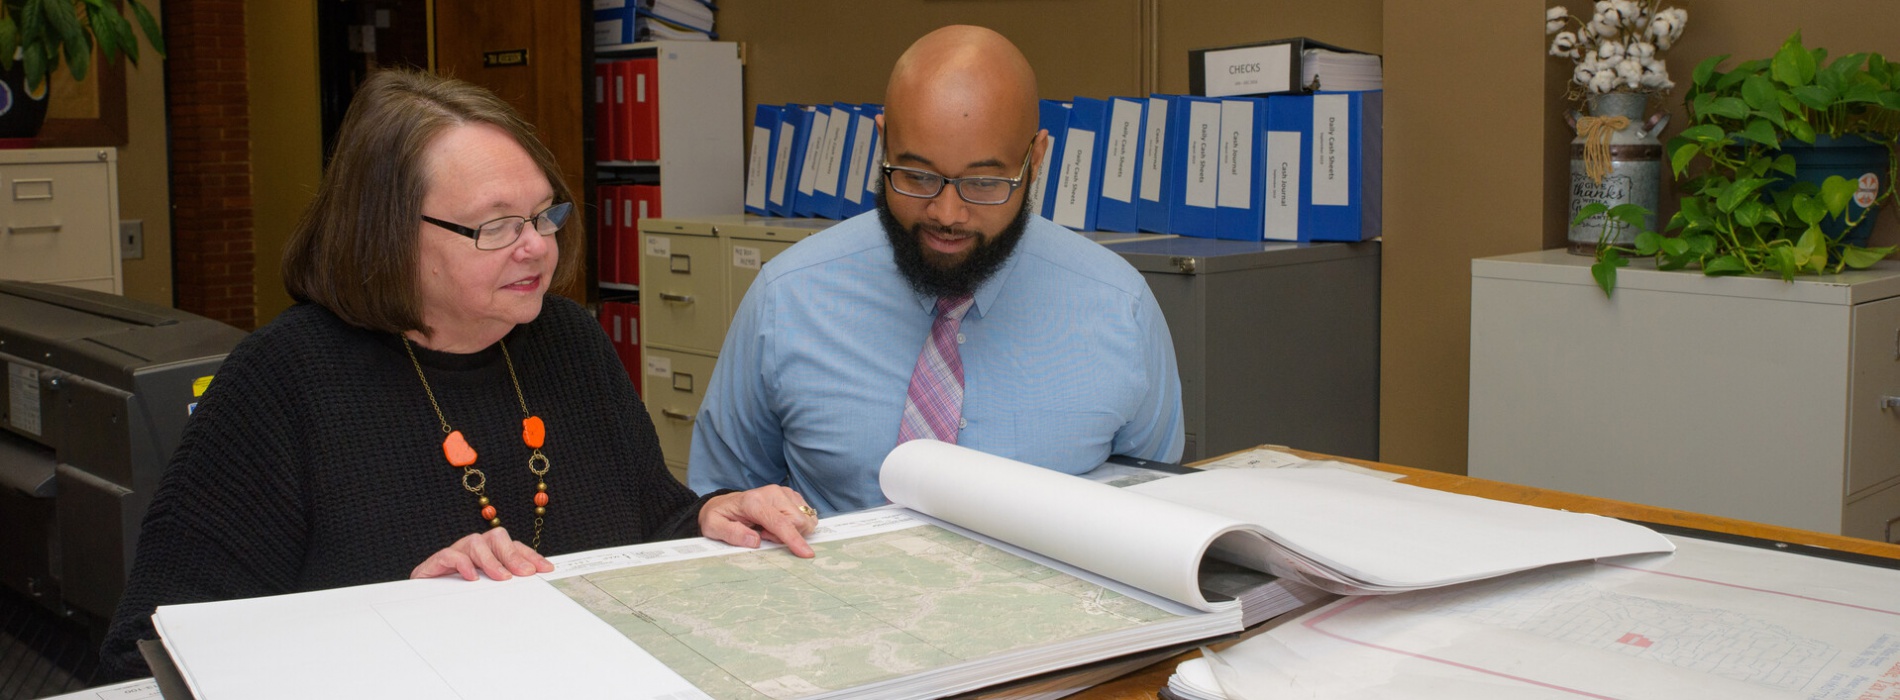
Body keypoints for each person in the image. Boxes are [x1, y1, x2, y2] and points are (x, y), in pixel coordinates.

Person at [98, 69, 818, 680]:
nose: (537, 248)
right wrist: (397, 617)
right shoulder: (283, 380)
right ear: (386, 231)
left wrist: (705, 517)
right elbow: (152, 654)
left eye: (543, 214)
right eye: (495, 226)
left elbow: (640, 517)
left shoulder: (566, 340)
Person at [689, 25, 1185, 515]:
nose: (947, 214)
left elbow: (1154, 513)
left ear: (1035, 159)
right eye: (917, 176)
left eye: (985, 182)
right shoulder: (787, 297)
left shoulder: (1122, 308)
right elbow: (720, 501)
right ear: (883, 143)